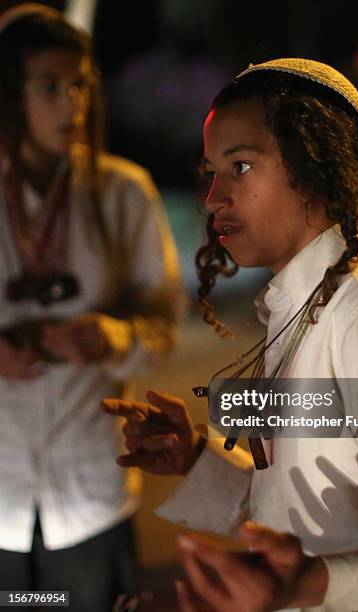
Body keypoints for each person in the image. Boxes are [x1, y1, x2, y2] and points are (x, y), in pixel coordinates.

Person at [103, 58, 358, 611]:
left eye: (241, 166)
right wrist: (197, 456)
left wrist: (310, 584)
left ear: (314, 165)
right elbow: (311, 495)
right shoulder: (296, 308)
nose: (213, 197)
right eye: (210, 172)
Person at [0, 4, 182, 611]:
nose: (70, 104)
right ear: (10, 93)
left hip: (90, 492)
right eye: (48, 87)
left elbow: (163, 327)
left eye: (79, 85)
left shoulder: (122, 193)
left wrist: (112, 336)